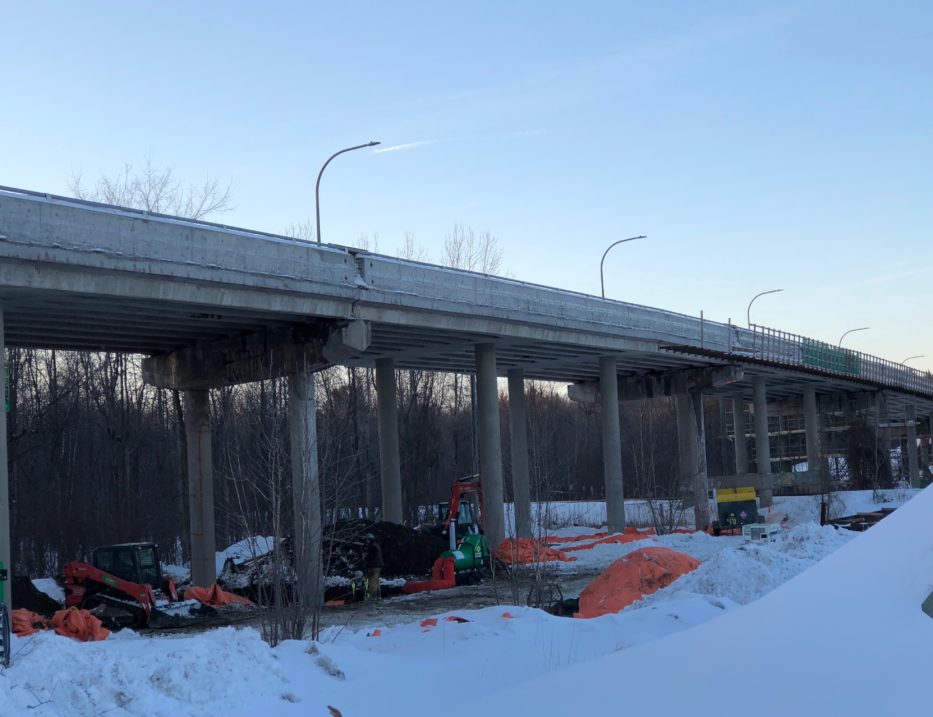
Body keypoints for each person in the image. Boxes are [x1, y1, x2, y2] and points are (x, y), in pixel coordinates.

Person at [363, 533, 384, 600]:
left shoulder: (371, 547)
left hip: (373, 567)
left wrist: (365, 556)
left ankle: (373, 597)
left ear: (370, 539)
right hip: (378, 567)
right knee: (376, 582)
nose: (366, 541)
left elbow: (370, 557)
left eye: (367, 539)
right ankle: (379, 597)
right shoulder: (376, 546)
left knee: (372, 583)